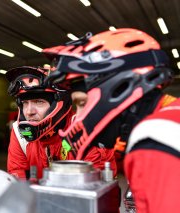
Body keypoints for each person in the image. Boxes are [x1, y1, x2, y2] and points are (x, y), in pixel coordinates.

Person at [44, 28, 179, 212]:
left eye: (81, 103)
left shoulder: (155, 141)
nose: (79, 115)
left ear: (116, 90)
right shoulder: (171, 116)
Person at [6, 66, 117, 180]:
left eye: (39, 102)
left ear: (59, 104)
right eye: (25, 103)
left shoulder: (87, 130)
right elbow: (17, 178)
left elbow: (94, 189)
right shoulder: (19, 133)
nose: (29, 112)